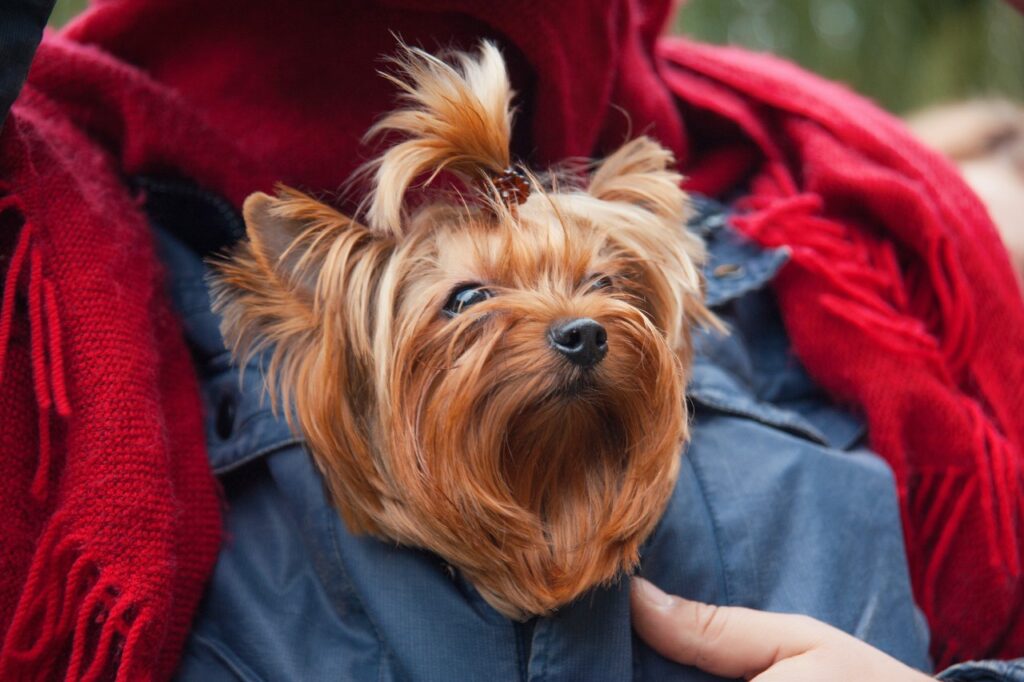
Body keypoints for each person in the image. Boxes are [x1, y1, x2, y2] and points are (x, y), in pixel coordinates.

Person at [0, 1, 1021, 680]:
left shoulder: (866, 270)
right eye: (466, 305)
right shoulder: (66, 318)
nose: (574, 325)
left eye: (603, 285)